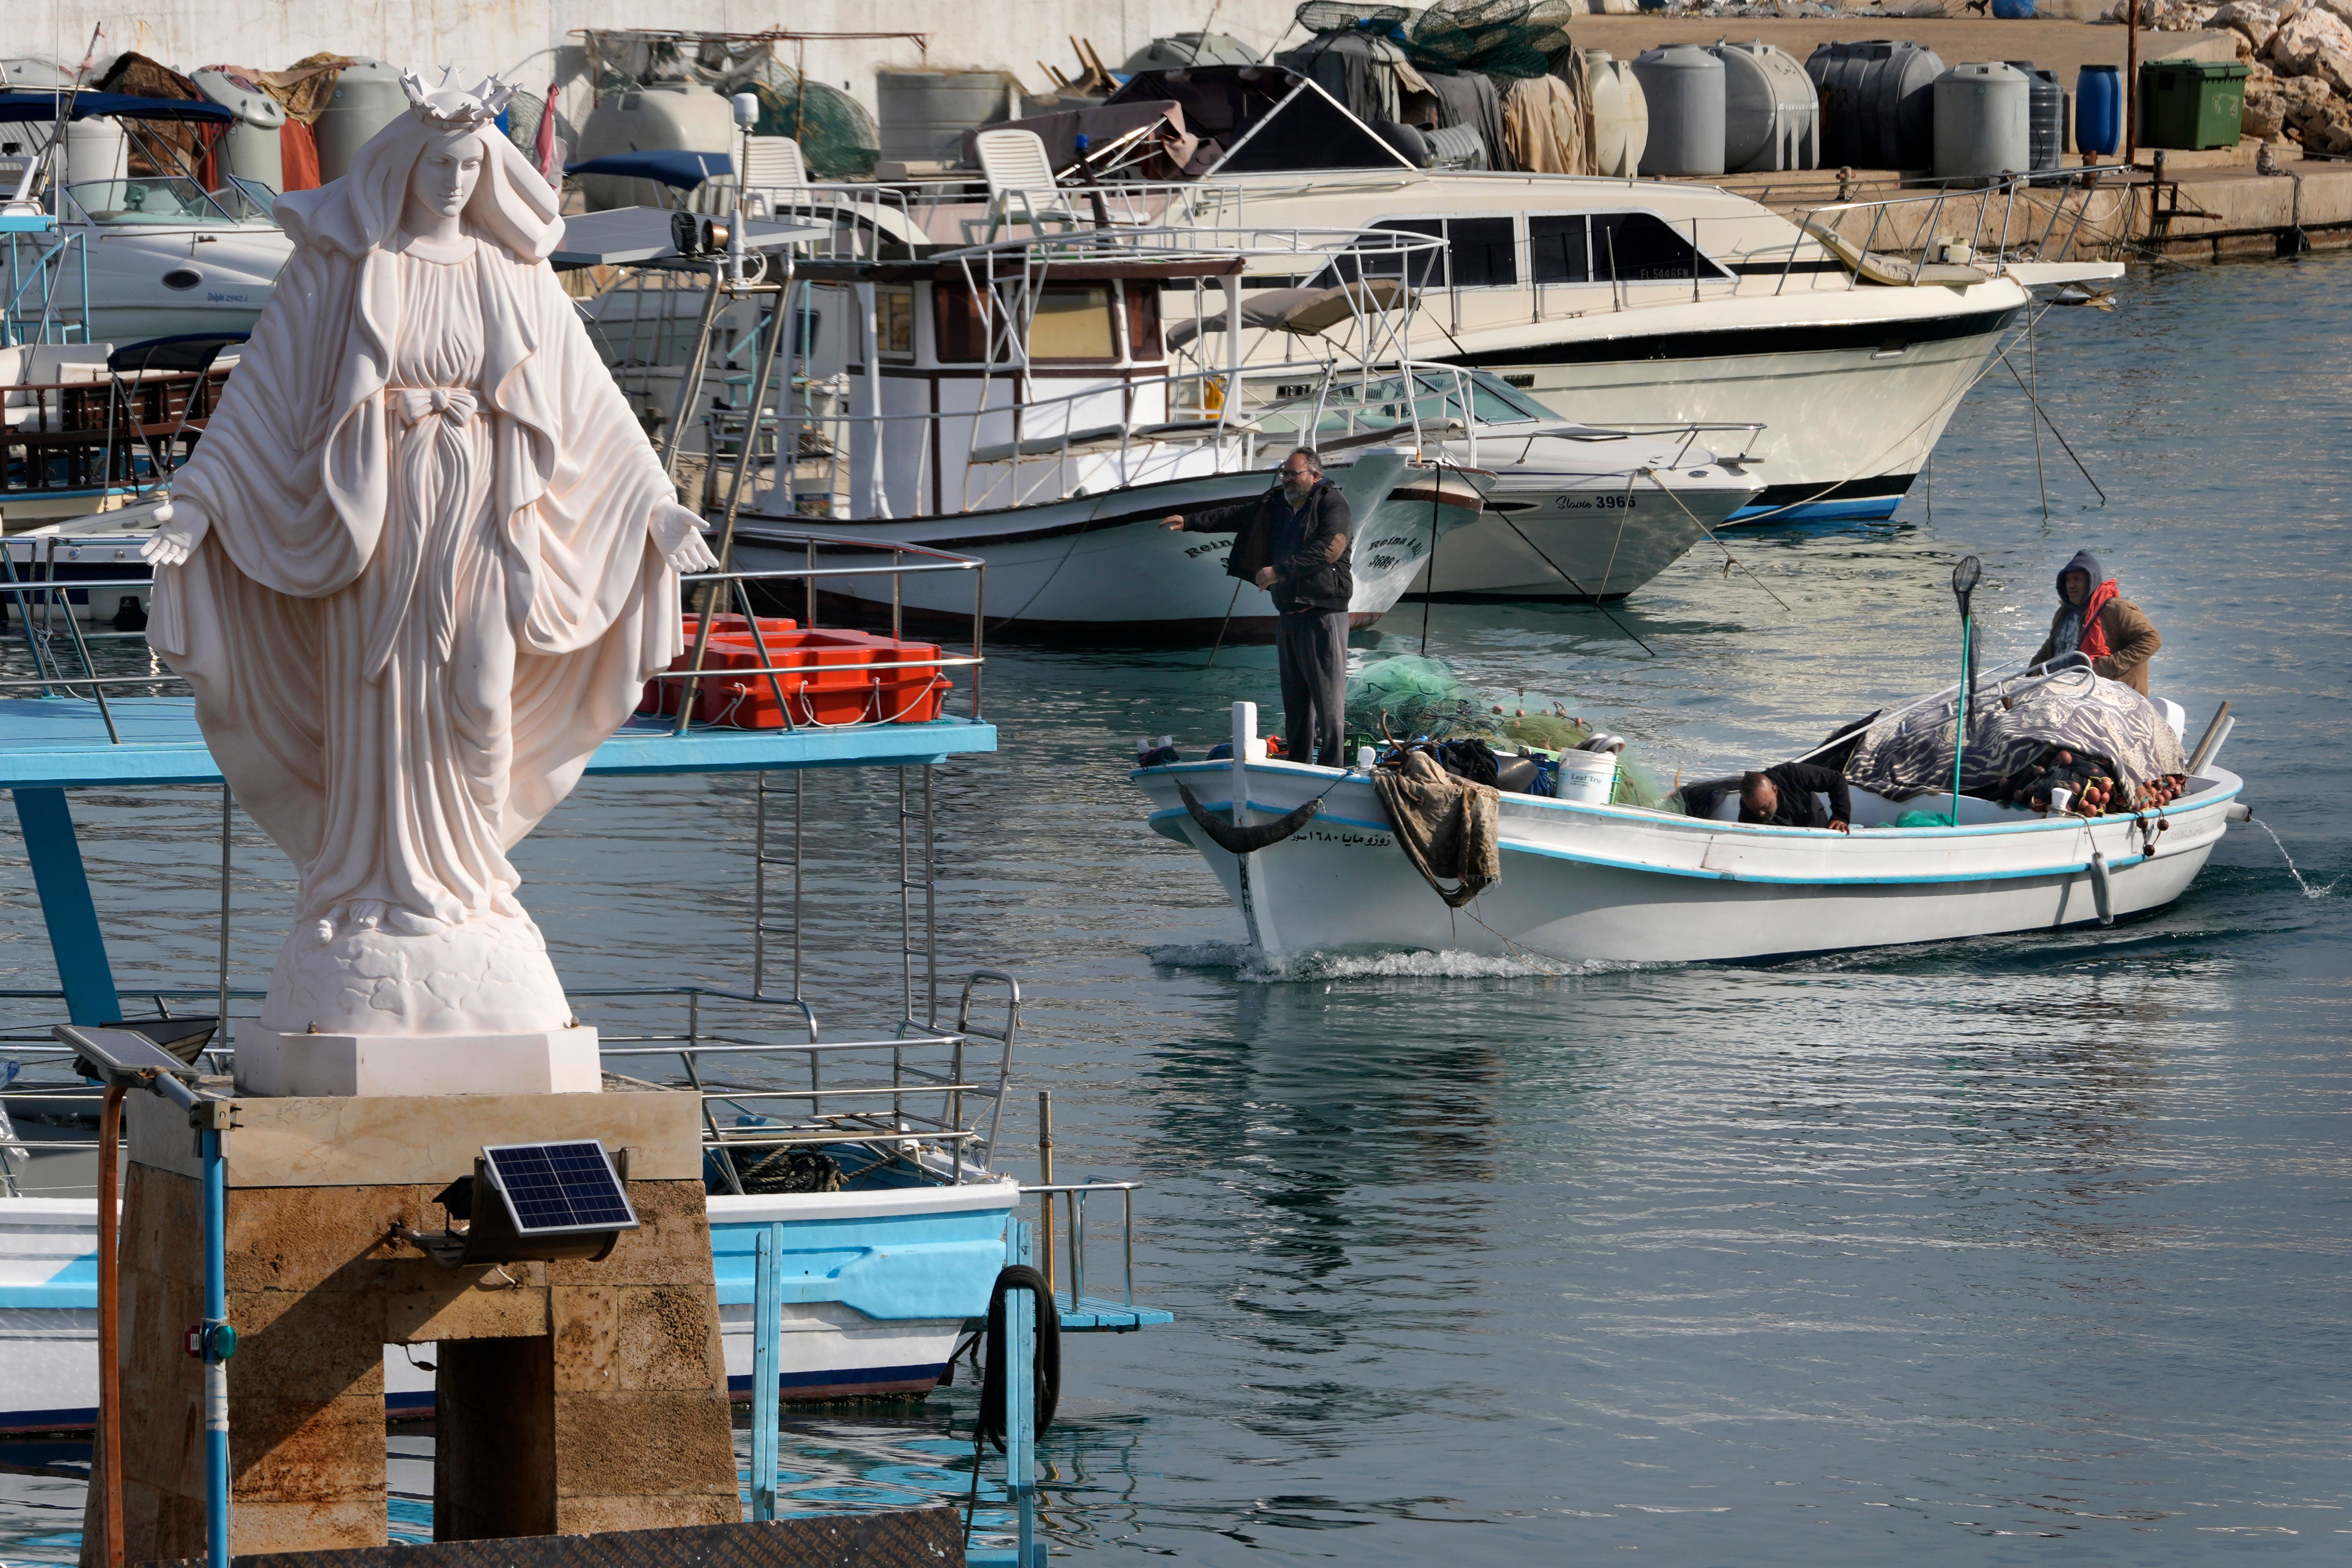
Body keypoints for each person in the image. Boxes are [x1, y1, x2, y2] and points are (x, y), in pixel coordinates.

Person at [1161, 448, 1354, 766]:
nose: (1288, 480)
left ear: (1315, 476)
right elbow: (1237, 515)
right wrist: (1190, 521)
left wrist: (1279, 572)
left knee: (1328, 702)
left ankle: (1332, 770)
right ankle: (1300, 765)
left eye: (1294, 474)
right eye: (1285, 474)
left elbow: (1330, 549)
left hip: (1323, 614)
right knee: (1295, 703)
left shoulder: (1332, 502)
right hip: (1289, 614)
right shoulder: (1278, 503)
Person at [2030, 549, 2160, 694]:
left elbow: (2151, 639)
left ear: (2091, 581)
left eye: (2077, 579)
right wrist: (2035, 668)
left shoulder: (2116, 608)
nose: (2071, 585)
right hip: (2063, 688)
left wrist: (2108, 666)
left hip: (2107, 693)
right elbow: (2054, 645)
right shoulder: (2064, 612)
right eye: (2068, 580)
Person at [1738, 762, 1852, 832]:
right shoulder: (1747, 806)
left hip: (1819, 830)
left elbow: (1837, 780)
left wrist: (1840, 817)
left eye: (1765, 807)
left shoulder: (1793, 774)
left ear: (1775, 790)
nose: (1761, 814)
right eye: (1754, 810)